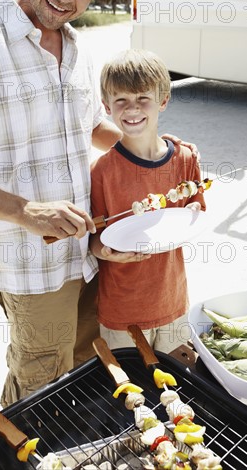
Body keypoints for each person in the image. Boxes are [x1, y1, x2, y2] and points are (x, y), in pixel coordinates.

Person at [0, 0, 197, 407]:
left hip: (90, 252)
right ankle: (18, 457)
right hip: (30, 264)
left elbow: (94, 126)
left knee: (87, 365)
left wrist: (159, 150)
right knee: (39, 383)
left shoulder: (75, 47)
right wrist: (27, 212)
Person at [90, 49, 206, 352]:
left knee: (178, 383)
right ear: (106, 107)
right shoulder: (101, 172)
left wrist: (195, 210)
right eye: (121, 100)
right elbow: (93, 239)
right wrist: (106, 251)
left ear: (163, 101)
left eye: (143, 98)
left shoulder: (185, 158)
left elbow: (197, 206)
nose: (132, 109)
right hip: (121, 311)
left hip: (172, 301)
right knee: (132, 392)